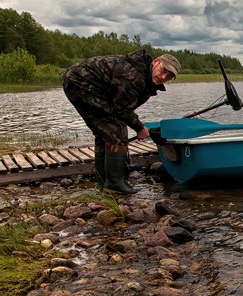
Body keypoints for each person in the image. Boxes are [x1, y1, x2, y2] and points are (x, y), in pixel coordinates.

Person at [61, 49, 180, 193]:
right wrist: (140, 128)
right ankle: (114, 184)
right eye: (163, 70)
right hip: (81, 82)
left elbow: (122, 107)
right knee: (116, 130)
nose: (163, 76)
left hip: (81, 81)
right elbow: (122, 108)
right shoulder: (134, 76)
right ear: (155, 62)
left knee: (105, 132)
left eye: (168, 76)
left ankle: (103, 182)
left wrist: (136, 125)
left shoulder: (143, 74)